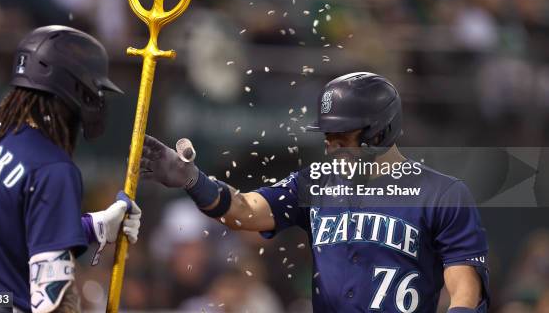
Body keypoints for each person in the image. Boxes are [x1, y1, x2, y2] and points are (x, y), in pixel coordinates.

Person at [141, 72, 490, 312]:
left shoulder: (442, 193)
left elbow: (464, 287)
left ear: (379, 133)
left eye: (342, 138)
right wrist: (193, 180)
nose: (331, 148)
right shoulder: (316, 181)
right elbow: (245, 209)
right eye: (327, 138)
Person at [0, 26, 141, 312]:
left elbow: (4, 230)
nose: (96, 100)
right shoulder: (51, 166)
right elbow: (52, 301)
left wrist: (92, 227)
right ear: (73, 88)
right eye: (93, 90)